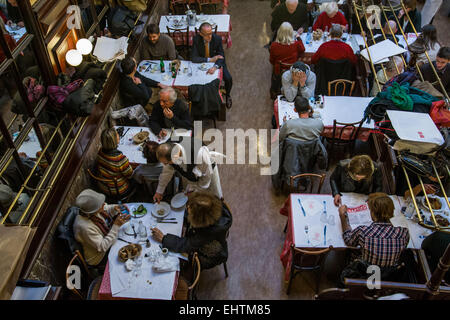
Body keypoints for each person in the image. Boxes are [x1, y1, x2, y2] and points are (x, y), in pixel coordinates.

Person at [151, 191, 232, 269]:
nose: (188, 207)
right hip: (206, 238)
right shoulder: (213, 207)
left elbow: (188, 244)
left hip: (210, 256)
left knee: (180, 259)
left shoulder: (208, 232)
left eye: (190, 210)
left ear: (200, 220)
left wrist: (164, 239)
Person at [338, 193, 410, 281]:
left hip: (365, 273)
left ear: (373, 213)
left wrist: (343, 216)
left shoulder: (363, 231)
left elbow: (348, 240)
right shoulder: (404, 233)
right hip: (388, 276)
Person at [153, 137, 224, 203]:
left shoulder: (200, 154)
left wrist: (196, 191)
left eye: (166, 163)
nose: (165, 165)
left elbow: (206, 179)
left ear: (175, 157)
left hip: (208, 171)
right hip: (190, 173)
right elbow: (167, 172)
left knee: (214, 197)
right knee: (191, 197)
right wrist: (159, 191)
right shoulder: (169, 149)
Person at [73, 189, 130, 266]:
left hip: (107, 239)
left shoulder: (90, 211)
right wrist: (116, 225)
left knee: (128, 237)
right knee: (127, 254)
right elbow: (103, 247)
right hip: (100, 256)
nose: (104, 204)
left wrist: (115, 207)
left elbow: (106, 208)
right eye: (100, 205)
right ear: (93, 211)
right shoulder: (85, 227)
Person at [191, 22, 233, 109]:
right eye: (206, 34)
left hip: (216, 64)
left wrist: (215, 67)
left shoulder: (217, 38)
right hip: (203, 63)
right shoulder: (196, 39)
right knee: (199, 81)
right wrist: (209, 60)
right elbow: (194, 58)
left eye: (211, 33)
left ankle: (228, 95)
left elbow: (221, 56)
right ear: (201, 34)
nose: (209, 36)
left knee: (228, 78)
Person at [269, 22, 305, 99]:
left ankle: (275, 92)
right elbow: (303, 49)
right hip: (293, 71)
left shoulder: (274, 45)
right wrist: (298, 37)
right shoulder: (296, 44)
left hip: (279, 71)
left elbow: (271, 61)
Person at [96, 127, 134, 197]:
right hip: (116, 189)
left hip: (102, 185)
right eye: (117, 136)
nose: (119, 136)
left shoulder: (100, 151)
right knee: (136, 179)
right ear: (114, 141)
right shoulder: (119, 160)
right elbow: (130, 175)